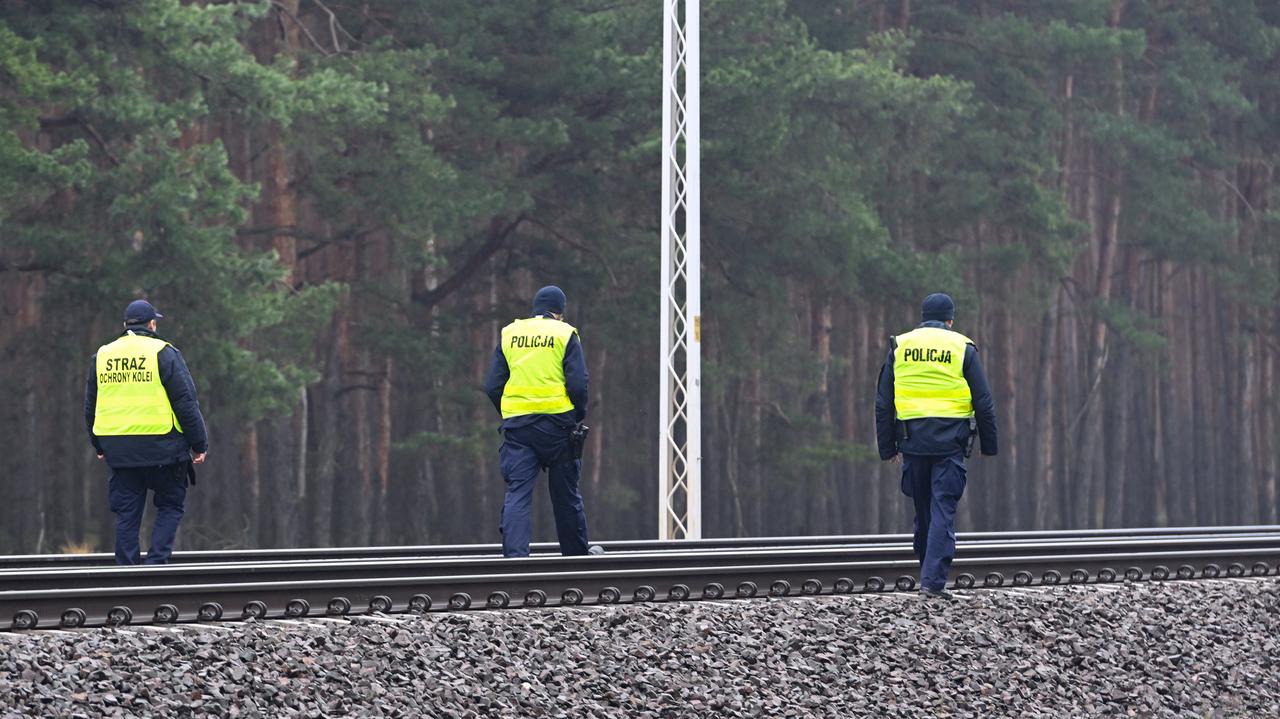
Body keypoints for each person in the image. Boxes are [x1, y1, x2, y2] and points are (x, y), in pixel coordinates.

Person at [875, 293, 998, 600]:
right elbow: (984, 402)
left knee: (923, 512)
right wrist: (989, 444)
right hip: (949, 444)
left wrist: (887, 447)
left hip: (912, 441)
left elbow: (882, 403)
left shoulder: (900, 347)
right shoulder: (962, 347)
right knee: (943, 509)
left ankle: (927, 575)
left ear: (922, 316)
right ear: (950, 319)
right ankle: (932, 583)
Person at [85, 300, 208, 565]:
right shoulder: (164, 352)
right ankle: (156, 567)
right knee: (170, 505)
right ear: (152, 324)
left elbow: (91, 405)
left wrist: (98, 445)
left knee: (127, 514)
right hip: (164, 448)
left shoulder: (103, 355)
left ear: (125, 325)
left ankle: (127, 575)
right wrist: (199, 443)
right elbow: (185, 402)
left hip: (120, 451)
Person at [483, 286, 593, 558]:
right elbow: (578, 384)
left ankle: (516, 562)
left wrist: (509, 411)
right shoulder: (565, 333)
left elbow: (492, 385)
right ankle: (576, 559)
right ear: (560, 311)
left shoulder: (510, 333)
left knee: (517, 493)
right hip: (559, 428)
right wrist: (577, 414)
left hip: (519, 429)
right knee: (566, 495)